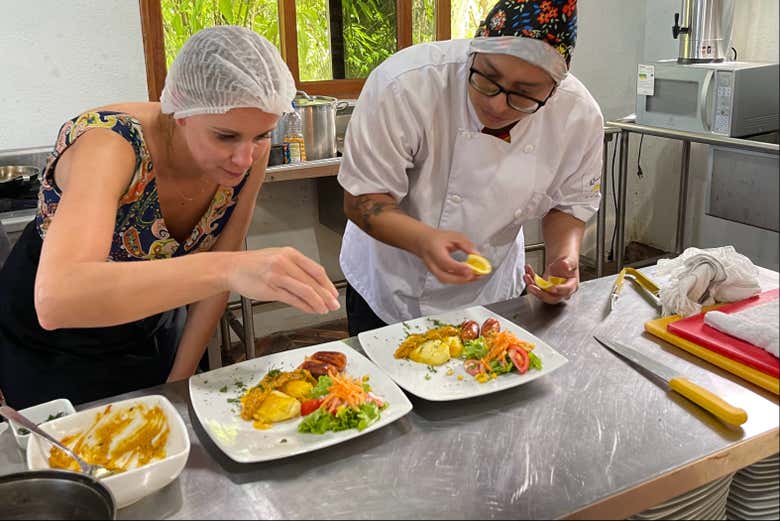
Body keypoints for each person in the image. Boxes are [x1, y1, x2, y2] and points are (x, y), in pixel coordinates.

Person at [0, 26, 340, 409]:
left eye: (262, 134)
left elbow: (215, 283)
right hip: (50, 347)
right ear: (180, 113)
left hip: (148, 328)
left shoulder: (249, 156)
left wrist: (178, 386)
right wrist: (229, 268)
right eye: (225, 136)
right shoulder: (110, 144)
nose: (245, 158)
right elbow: (58, 298)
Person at [338, 0, 603, 335]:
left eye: (523, 94)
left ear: (553, 91)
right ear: (474, 51)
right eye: (487, 78)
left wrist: (563, 260)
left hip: (493, 295)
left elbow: (568, 204)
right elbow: (362, 199)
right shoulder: (405, 84)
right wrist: (423, 241)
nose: (495, 103)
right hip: (389, 290)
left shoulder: (578, 116)